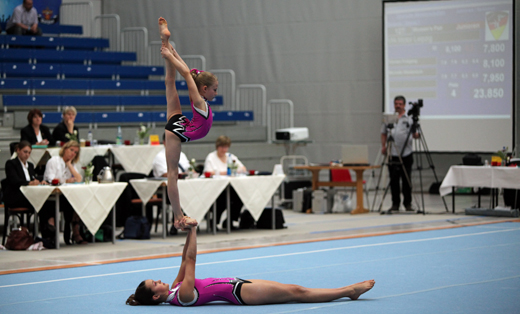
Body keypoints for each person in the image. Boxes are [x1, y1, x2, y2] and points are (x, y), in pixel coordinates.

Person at [126, 219, 375, 306]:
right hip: (241, 293)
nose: (159, 280)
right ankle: (348, 291)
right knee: (296, 292)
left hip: (239, 284)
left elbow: (183, 258)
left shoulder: (174, 288)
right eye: (154, 283)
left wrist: (188, 232)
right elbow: (191, 259)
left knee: (294, 290)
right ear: (156, 297)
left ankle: (347, 291)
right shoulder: (184, 296)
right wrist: (193, 230)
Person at [159, 17, 219, 230]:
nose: (216, 92)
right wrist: (169, 55)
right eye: (214, 89)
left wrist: (171, 51)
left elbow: (186, 70)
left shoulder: (201, 101)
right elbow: (186, 73)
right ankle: (177, 216)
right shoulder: (199, 102)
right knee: (172, 174)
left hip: (182, 123)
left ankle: (165, 40)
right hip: (177, 131)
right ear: (204, 90)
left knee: (169, 82)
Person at [41, 140, 87, 245]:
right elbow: (52, 180)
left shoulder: (71, 164)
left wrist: (69, 165)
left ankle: (75, 232)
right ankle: (52, 234)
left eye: (75, 152)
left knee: (77, 201)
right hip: (50, 196)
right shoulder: (54, 161)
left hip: (64, 196)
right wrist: (66, 181)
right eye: (71, 150)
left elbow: (79, 179)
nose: (73, 154)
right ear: (65, 149)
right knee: (69, 201)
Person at [380, 95, 420, 212]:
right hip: (392, 153)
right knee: (394, 180)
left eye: (400, 104)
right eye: (396, 104)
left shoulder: (409, 119)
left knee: (406, 180)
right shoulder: (389, 118)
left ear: (404, 105)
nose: (398, 106)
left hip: (406, 153)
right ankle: (395, 204)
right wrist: (383, 146)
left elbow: (415, 133)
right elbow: (383, 133)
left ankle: (408, 204)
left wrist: (416, 135)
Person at [203, 135, 247, 229]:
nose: (224, 149)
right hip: (215, 188)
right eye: (222, 147)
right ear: (217, 146)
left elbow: (243, 168)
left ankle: (230, 220)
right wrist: (225, 172)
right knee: (222, 198)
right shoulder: (211, 157)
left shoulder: (230, 157)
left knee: (240, 196)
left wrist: (237, 170)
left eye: (226, 147)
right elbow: (208, 172)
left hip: (231, 186)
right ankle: (214, 220)